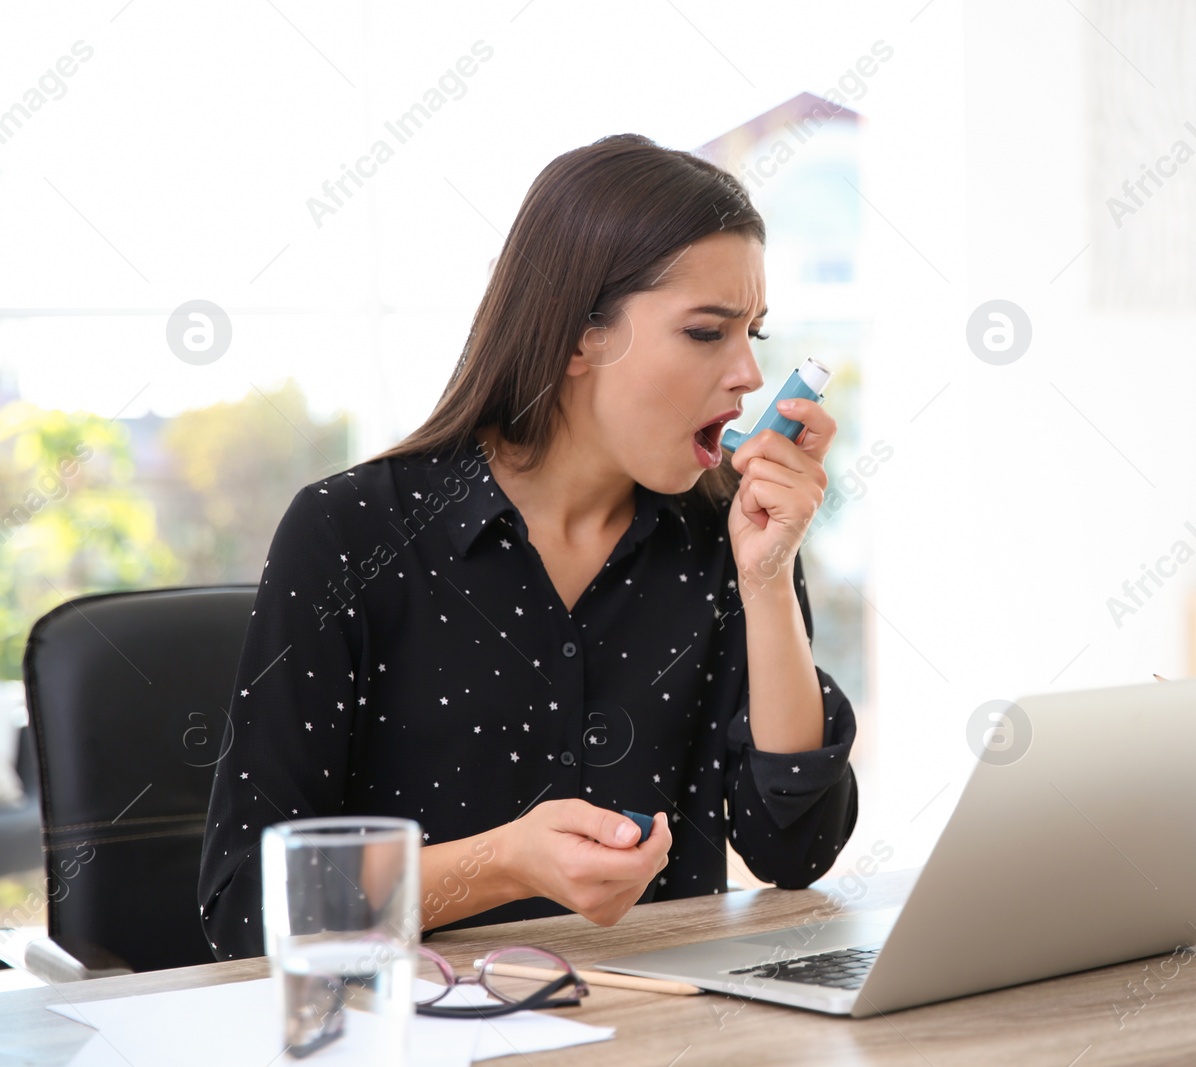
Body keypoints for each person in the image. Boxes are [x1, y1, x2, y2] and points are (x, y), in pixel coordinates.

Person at [197, 134, 858, 960]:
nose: (748, 376)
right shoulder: (348, 533)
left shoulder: (728, 538)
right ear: (580, 337)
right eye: (704, 333)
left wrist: (768, 580)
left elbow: (795, 850)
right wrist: (504, 863)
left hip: (668, 1037)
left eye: (752, 335)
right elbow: (248, 909)